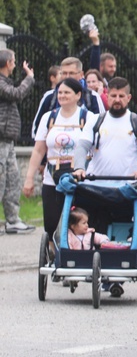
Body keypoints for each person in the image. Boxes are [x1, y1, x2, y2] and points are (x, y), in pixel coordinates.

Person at [72, 77, 137, 298]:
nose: (117, 100)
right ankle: (98, 271)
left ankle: (116, 272)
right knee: (95, 229)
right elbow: (82, 147)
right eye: (113, 96)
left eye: (121, 96)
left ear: (129, 98)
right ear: (107, 96)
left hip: (126, 188)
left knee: (124, 231)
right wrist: (80, 168)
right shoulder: (96, 120)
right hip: (96, 187)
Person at [23, 78, 98, 240]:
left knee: (80, 220)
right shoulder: (48, 118)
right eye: (60, 92)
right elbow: (38, 150)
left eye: (67, 92)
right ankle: (54, 252)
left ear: (78, 95)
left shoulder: (89, 117)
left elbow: (96, 148)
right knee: (51, 222)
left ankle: (80, 251)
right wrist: (29, 178)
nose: (62, 96)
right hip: (53, 177)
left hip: (80, 177)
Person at [0, 49, 36, 234]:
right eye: (13, 61)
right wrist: (29, 77)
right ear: (8, 63)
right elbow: (16, 94)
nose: (15, 65)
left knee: (12, 180)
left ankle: (13, 220)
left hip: (8, 141)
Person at [32, 57, 105, 137]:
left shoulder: (92, 97)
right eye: (64, 73)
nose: (67, 76)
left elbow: (101, 124)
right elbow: (37, 128)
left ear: (81, 74)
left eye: (71, 73)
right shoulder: (49, 97)